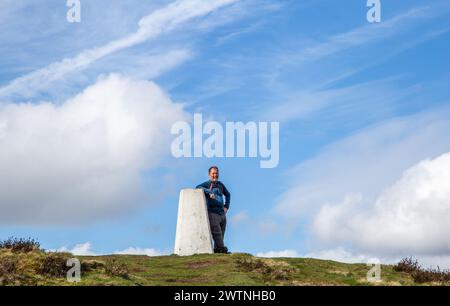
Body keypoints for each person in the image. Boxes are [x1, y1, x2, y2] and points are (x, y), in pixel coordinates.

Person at [196, 166, 231, 254]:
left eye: (216, 173)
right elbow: (197, 187)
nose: (215, 175)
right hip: (212, 213)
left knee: (221, 233)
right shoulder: (207, 184)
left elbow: (228, 194)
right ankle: (222, 249)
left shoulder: (220, 184)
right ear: (209, 174)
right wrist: (209, 192)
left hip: (222, 213)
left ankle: (218, 250)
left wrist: (226, 206)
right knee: (217, 233)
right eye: (213, 173)